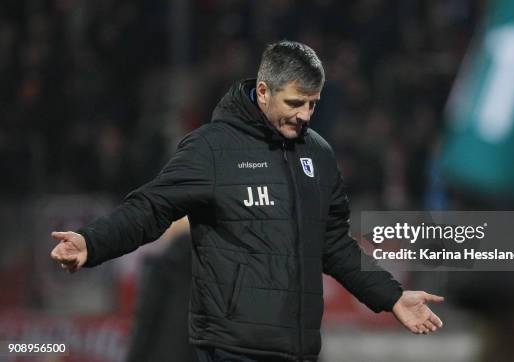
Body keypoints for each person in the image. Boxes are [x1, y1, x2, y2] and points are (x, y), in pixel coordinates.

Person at [50, 41, 444, 362]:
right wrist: (92, 242)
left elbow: (334, 244)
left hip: (299, 349)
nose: (305, 115)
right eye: (294, 103)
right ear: (262, 92)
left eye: (313, 104)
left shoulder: (319, 155)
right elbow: (151, 208)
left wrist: (391, 296)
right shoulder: (214, 148)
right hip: (233, 348)